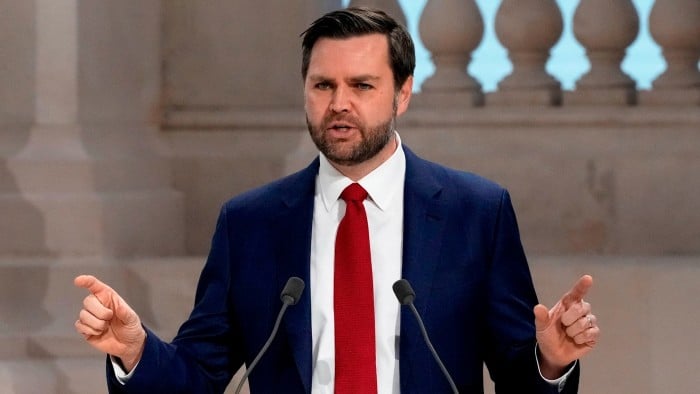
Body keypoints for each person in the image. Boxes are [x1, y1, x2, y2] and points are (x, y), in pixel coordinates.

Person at [74, 7, 600, 393]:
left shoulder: (475, 212)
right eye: (323, 85)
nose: (339, 104)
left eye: (362, 86)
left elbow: (516, 374)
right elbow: (201, 375)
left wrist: (549, 362)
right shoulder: (249, 223)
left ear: (403, 93)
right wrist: (135, 350)